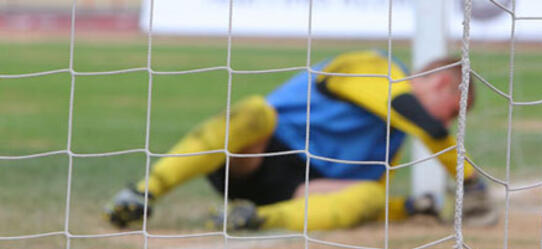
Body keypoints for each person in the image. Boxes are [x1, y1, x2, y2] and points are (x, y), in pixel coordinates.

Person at [105, 50, 494, 231]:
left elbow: (358, 203)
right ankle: (143, 192)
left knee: (371, 194)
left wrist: (408, 207)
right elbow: (418, 117)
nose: (451, 122)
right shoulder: (375, 68)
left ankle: (253, 220)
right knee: (255, 112)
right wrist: (471, 180)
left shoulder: (393, 142)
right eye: (454, 112)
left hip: (296, 190)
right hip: (253, 154)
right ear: (442, 84)